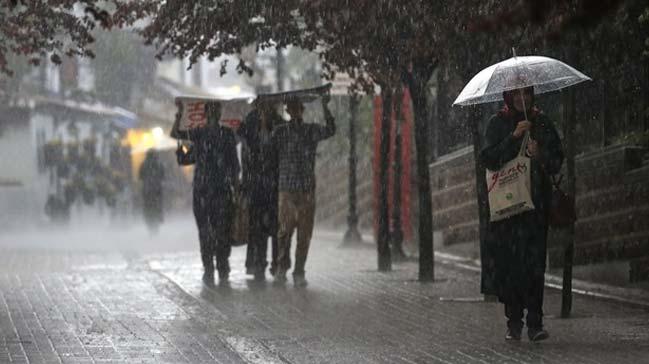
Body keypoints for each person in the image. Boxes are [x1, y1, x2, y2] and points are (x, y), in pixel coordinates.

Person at [480, 85, 564, 342]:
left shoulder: (541, 121)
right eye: (516, 94)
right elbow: (489, 158)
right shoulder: (498, 122)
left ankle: (535, 322)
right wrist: (513, 138)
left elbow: (557, 161)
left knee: (535, 265)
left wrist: (541, 154)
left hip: (535, 208)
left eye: (525, 93)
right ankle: (513, 321)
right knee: (511, 266)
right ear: (508, 96)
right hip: (508, 210)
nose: (521, 98)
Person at [272, 93, 336, 287]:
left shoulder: (310, 130)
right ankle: (282, 267)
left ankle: (299, 270)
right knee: (284, 231)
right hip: (287, 189)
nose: (294, 111)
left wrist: (326, 107)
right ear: (287, 111)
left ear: (302, 110)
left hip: (306, 189)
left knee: (304, 234)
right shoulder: (280, 131)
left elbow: (331, 130)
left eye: (297, 108)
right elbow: (266, 144)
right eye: (290, 108)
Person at [176, 101, 240, 286]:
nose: (214, 114)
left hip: (220, 190)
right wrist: (179, 115)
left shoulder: (227, 135)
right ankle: (209, 267)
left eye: (216, 110)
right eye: (211, 110)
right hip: (203, 191)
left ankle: (221, 264)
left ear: (219, 113)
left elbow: (234, 165)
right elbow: (179, 138)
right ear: (206, 113)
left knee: (222, 230)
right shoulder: (198, 134)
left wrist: (235, 188)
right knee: (205, 231)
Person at [239, 100, 283, 281]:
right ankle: (259, 263)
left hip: (273, 184)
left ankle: (276, 263)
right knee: (258, 227)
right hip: (256, 185)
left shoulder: (279, 124)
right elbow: (246, 150)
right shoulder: (249, 124)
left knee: (275, 227)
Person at [138, 149, 165, 234]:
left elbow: (140, 177)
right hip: (157, 190)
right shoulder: (160, 164)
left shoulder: (143, 164)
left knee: (147, 207)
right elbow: (163, 176)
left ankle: (149, 223)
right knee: (158, 205)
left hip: (147, 190)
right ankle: (158, 219)